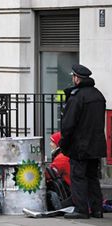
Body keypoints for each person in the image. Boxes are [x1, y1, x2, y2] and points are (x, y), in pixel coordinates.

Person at [59, 64, 107, 219]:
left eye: (73, 77)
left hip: (80, 146)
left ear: (77, 78)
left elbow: (68, 124)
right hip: (96, 145)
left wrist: (64, 143)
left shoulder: (77, 96)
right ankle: (97, 209)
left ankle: (81, 209)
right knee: (93, 177)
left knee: (78, 177)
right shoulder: (98, 95)